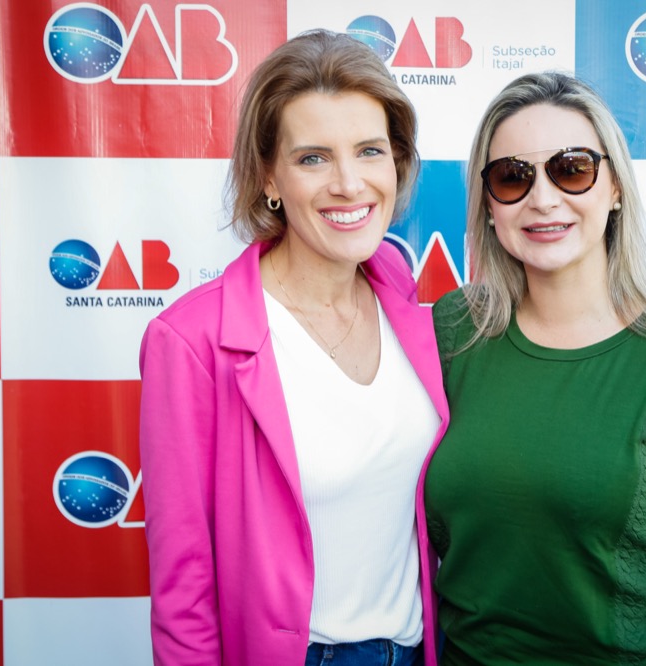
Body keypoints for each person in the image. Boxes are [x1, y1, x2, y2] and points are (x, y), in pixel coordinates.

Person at [424, 71, 646, 665]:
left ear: (614, 188)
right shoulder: (452, 330)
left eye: (572, 168)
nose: (542, 198)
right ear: (488, 205)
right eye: (512, 176)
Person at [139, 30, 449, 666]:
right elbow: (183, 587)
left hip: (422, 650)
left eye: (369, 151)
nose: (349, 184)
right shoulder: (192, 341)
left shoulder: (407, 302)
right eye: (313, 158)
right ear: (268, 177)